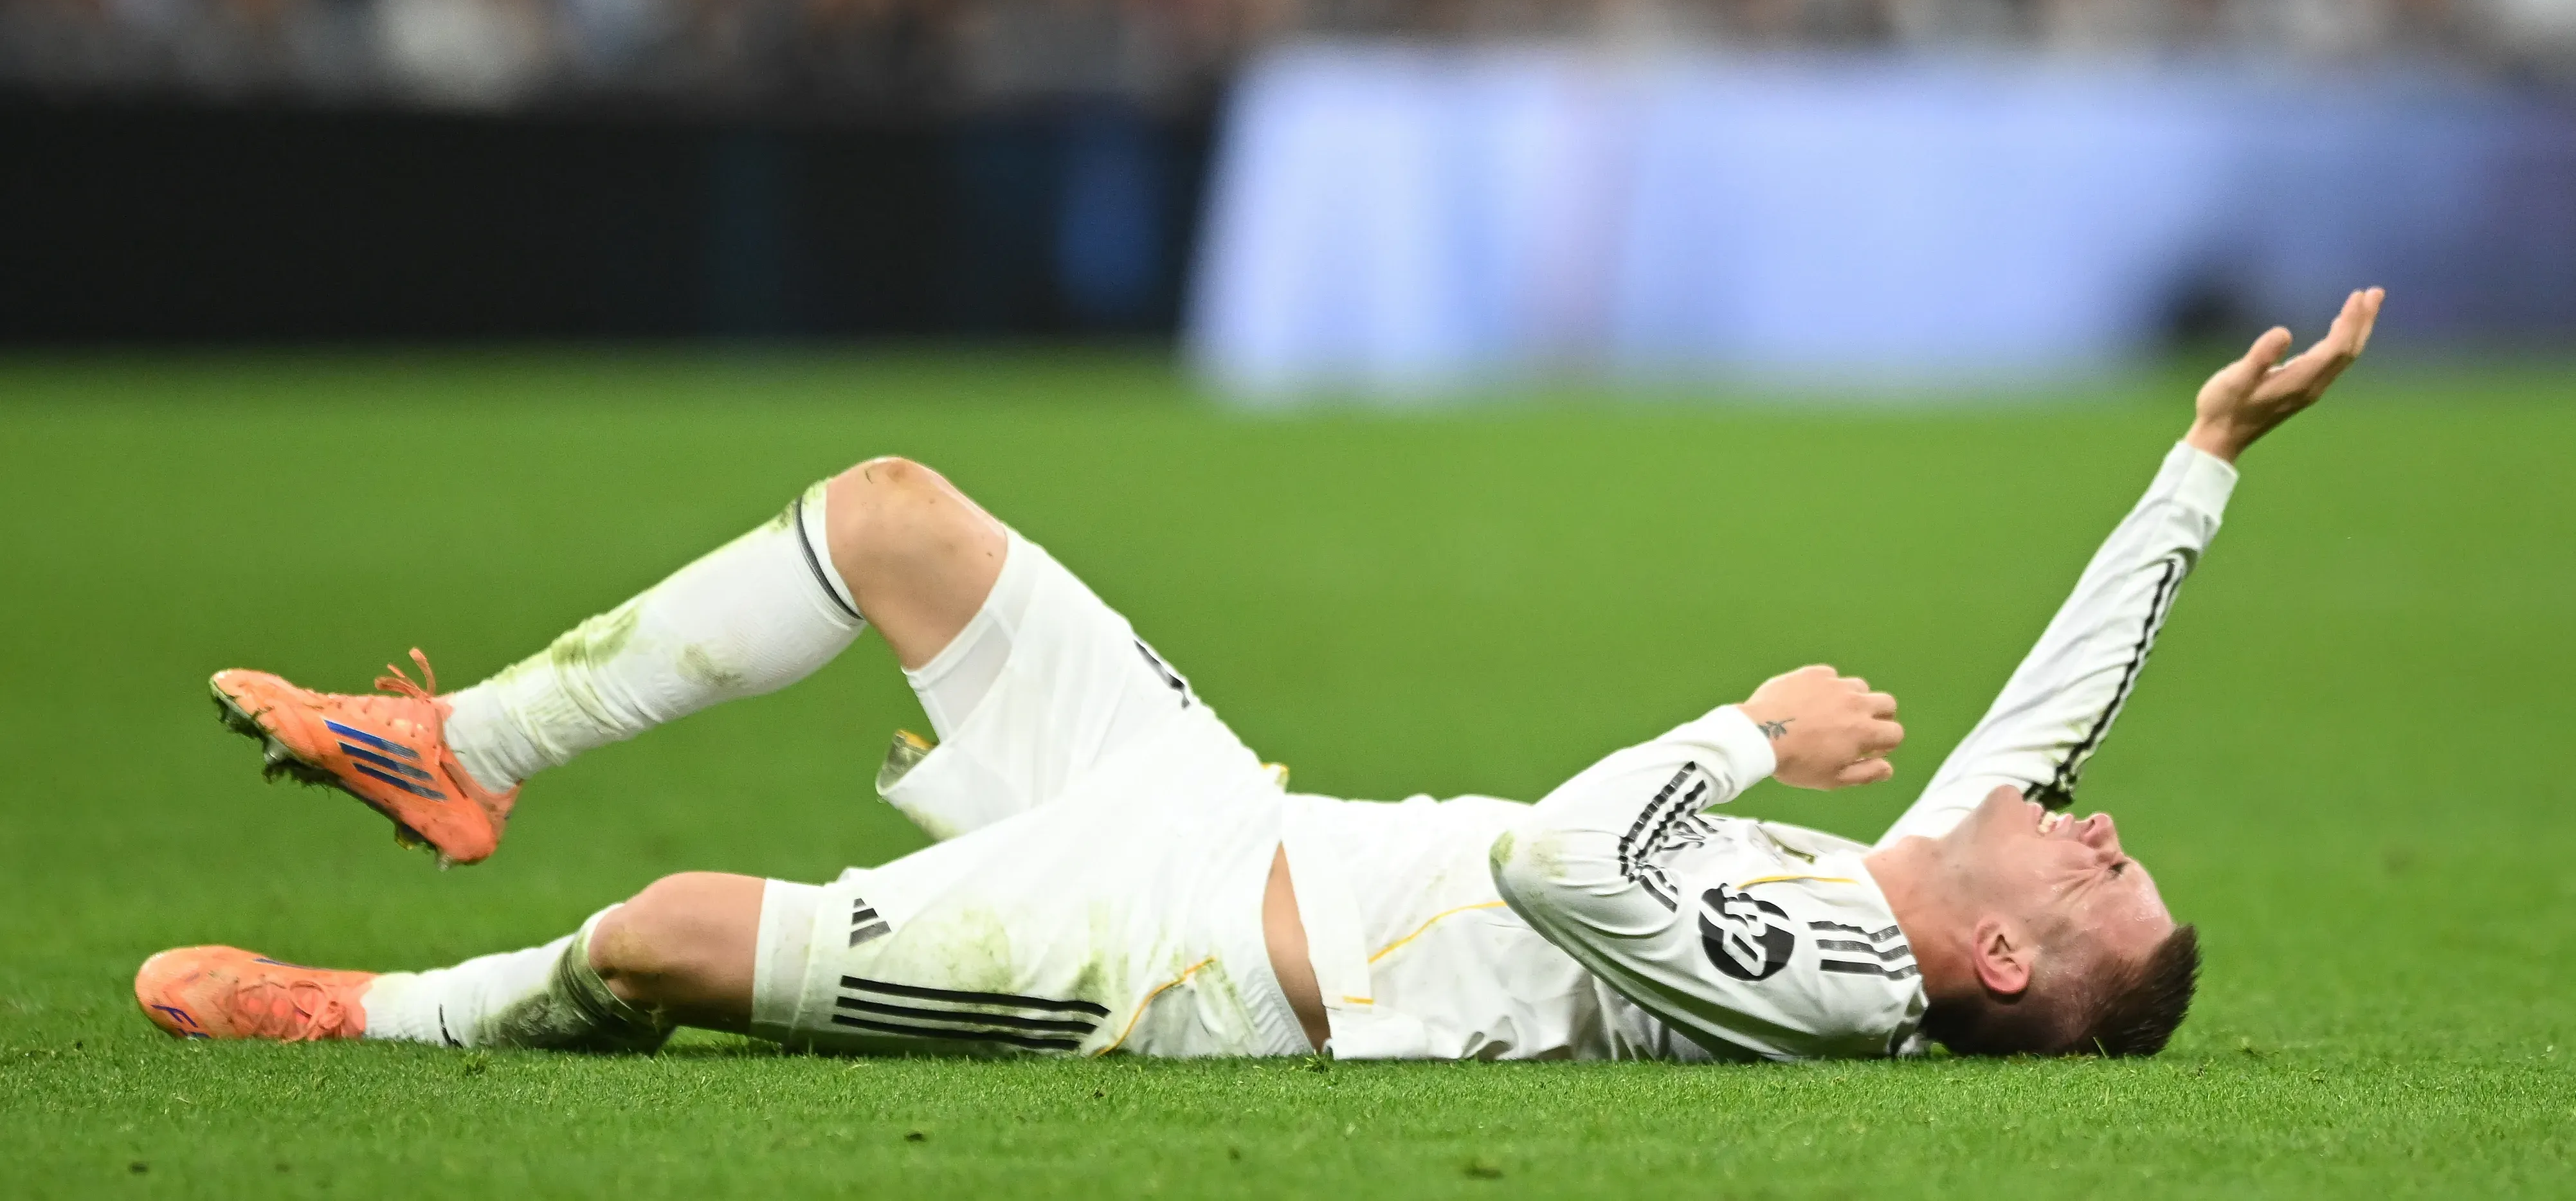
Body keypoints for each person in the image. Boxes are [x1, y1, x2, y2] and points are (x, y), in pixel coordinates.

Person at [134, 290, 2384, 1062]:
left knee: (660, 944)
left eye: (2098, 876)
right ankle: (463, 749)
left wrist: (1745, 733)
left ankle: (372, 1011)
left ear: (1997, 956)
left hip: (1196, 950)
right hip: (1232, 804)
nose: (2091, 820)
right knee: (896, 512)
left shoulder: (1822, 960)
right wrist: (2195, 461)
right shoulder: (1916, 887)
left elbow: (1564, 850)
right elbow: (2048, 717)